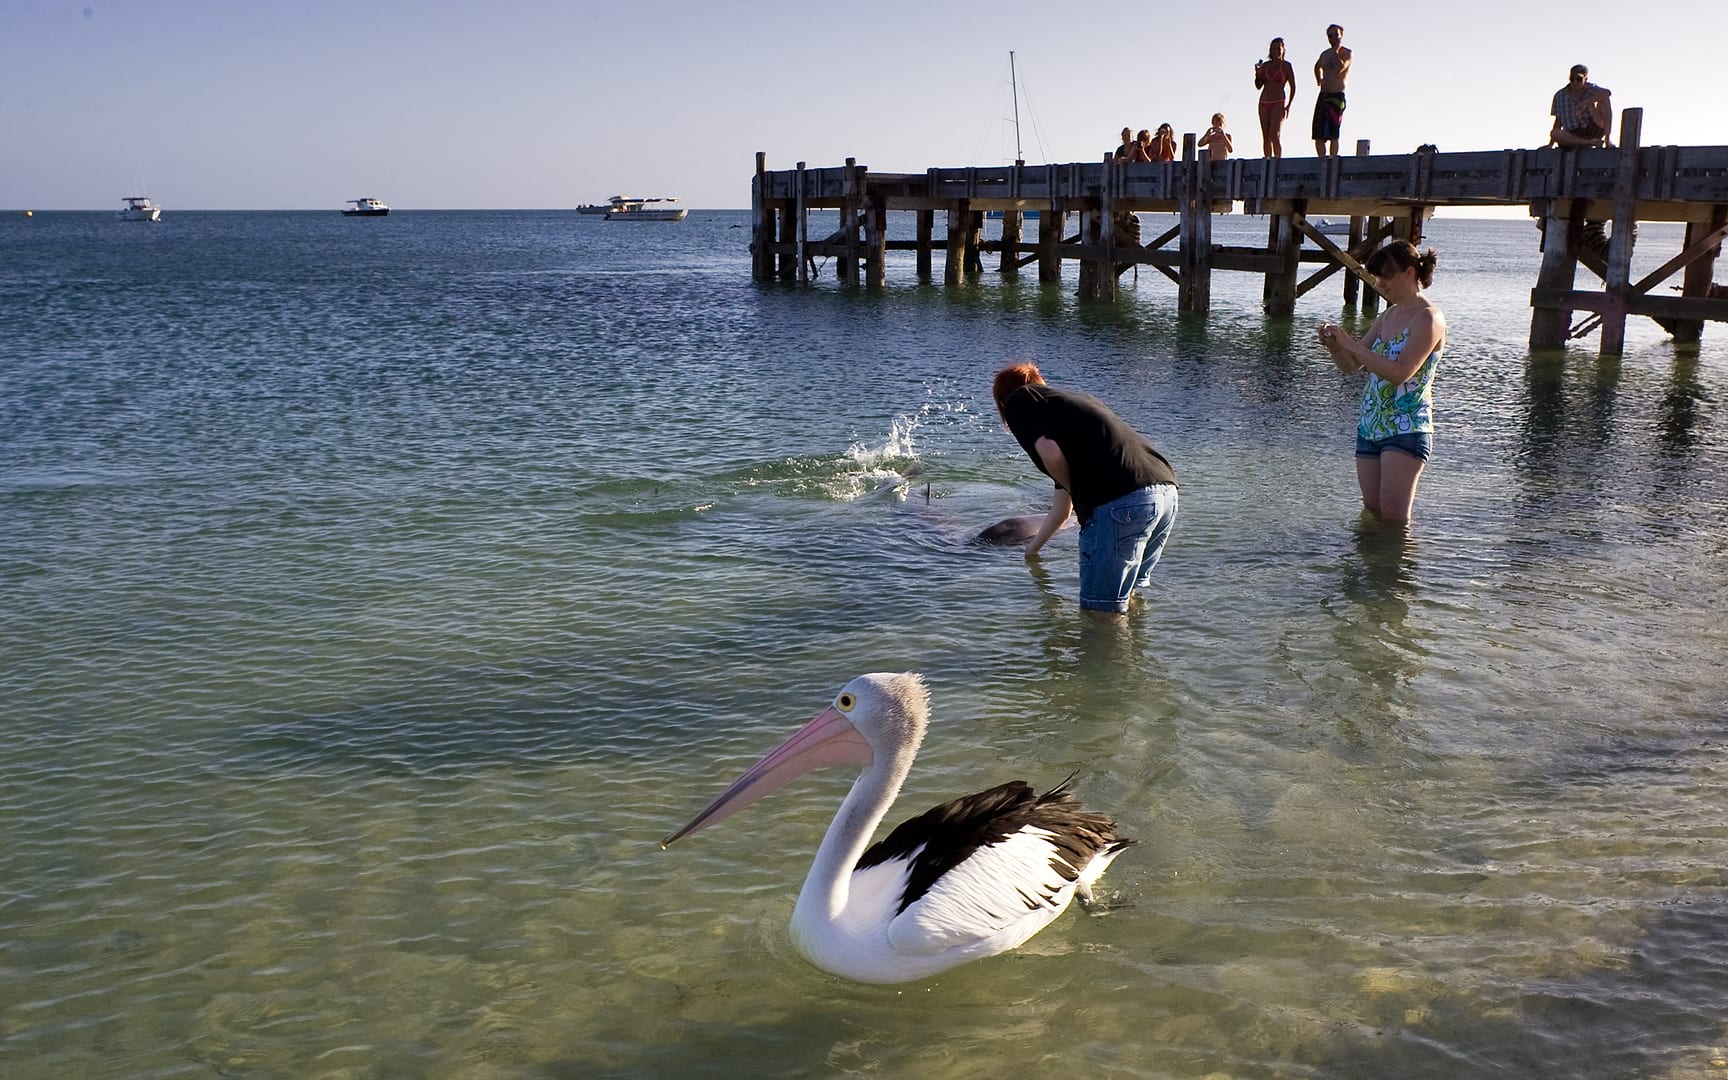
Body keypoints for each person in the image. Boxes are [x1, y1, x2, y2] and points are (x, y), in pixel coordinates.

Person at [993, 362, 1180, 614]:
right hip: (1164, 492)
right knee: (1125, 599)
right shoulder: (1070, 412)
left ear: (1002, 401)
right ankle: (1134, 653)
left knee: (1100, 614)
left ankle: (1109, 652)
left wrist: (1080, 495)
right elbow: (1062, 510)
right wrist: (1031, 551)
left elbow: (1052, 457)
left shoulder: (1019, 400)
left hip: (1122, 500)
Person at [1316, 242, 1447, 525]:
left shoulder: (1429, 318)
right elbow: (1351, 366)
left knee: (1394, 521)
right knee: (1373, 512)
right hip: (1371, 425)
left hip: (1407, 426)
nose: (1380, 283)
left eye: (1386, 276)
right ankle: (1373, 569)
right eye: (1376, 277)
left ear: (1410, 273)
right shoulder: (1387, 316)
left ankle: (1401, 569)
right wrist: (1336, 347)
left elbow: (1401, 373)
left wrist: (1352, 344)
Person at [1550, 64, 1613, 148]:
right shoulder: (1559, 96)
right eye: (1572, 79)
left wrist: (1585, 103)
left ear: (1585, 79)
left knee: (1604, 101)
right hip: (1573, 134)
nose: (1575, 82)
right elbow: (1558, 122)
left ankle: (1607, 139)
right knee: (1555, 133)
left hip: (1592, 128)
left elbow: (1607, 93)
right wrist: (1551, 144)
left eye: (1579, 79)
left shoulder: (1591, 89)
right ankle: (1589, 143)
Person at [1312, 23, 1351, 156]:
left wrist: (1336, 52)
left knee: (1334, 132)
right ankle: (1321, 160)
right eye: (1330, 35)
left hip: (1337, 95)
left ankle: (1333, 158)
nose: (1333, 38)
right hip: (1324, 94)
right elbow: (1316, 66)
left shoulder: (1346, 53)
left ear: (1341, 36)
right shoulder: (1324, 54)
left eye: (1336, 35)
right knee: (1318, 133)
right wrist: (1319, 79)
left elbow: (1340, 69)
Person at [1254, 38, 1297, 158]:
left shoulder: (1286, 66)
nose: (1276, 51)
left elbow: (1293, 86)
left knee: (1274, 134)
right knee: (1266, 135)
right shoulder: (1265, 66)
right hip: (1264, 101)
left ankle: (1278, 161)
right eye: (1273, 49)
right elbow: (1258, 85)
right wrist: (1257, 74)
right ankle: (1267, 161)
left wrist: (1288, 105)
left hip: (1278, 101)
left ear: (1283, 50)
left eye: (1278, 48)